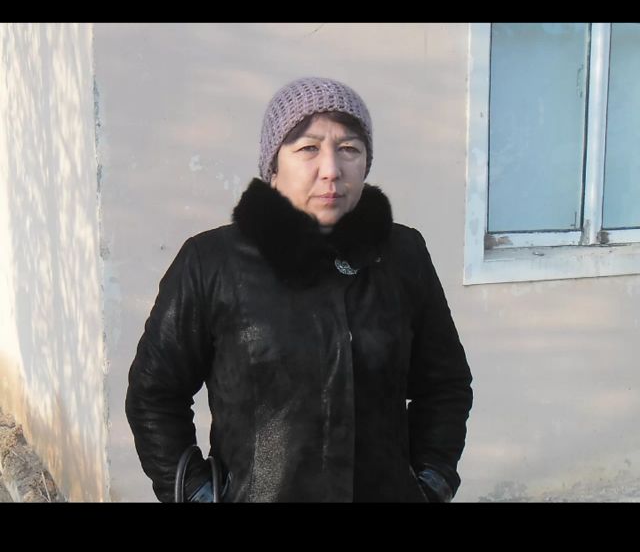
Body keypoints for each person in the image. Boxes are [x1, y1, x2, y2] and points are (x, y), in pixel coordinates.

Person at [125, 76, 473, 503]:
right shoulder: (212, 263)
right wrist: (200, 494)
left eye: (349, 148)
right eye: (308, 148)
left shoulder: (402, 255)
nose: (331, 169)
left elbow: (445, 384)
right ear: (273, 165)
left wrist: (432, 482)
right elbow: (154, 395)